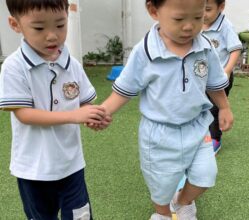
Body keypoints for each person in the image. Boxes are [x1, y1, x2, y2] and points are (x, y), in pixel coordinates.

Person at [90, 0, 233, 219]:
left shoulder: (204, 45)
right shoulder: (145, 52)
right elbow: (125, 90)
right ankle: (163, 213)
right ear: (153, 11)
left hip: (197, 126)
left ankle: (183, 202)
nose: (189, 27)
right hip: (159, 134)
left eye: (198, 17)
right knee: (161, 184)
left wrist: (224, 107)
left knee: (206, 175)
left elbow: (214, 83)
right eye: (179, 19)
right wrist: (104, 111)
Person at [0, 0, 111, 219]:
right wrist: (74, 116)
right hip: (33, 170)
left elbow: (84, 103)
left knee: (81, 216)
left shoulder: (72, 64)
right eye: (39, 28)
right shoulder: (14, 66)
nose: (52, 35)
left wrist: (94, 116)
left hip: (71, 165)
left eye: (60, 25)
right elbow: (24, 114)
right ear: (15, 24)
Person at [203, 0, 242, 154]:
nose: (203, 14)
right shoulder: (196, 23)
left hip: (220, 78)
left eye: (207, 9)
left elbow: (236, 49)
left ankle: (214, 139)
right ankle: (199, 136)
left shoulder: (225, 26)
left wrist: (227, 70)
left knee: (214, 108)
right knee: (200, 107)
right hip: (201, 77)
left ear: (221, 6)